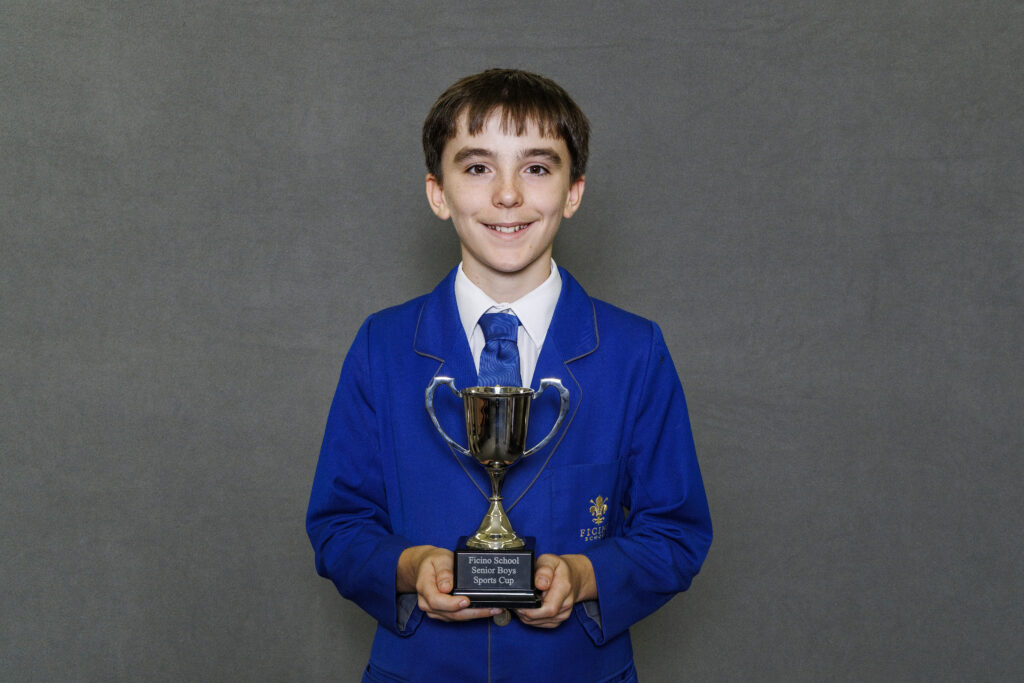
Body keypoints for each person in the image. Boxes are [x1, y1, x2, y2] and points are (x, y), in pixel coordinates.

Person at [307, 68, 712, 683]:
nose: (507, 195)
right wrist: (410, 565)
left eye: (537, 168)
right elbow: (338, 526)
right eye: (476, 168)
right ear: (437, 193)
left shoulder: (635, 351)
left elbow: (675, 533)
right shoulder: (381, 346)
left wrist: (585, 576)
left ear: (573, 192)